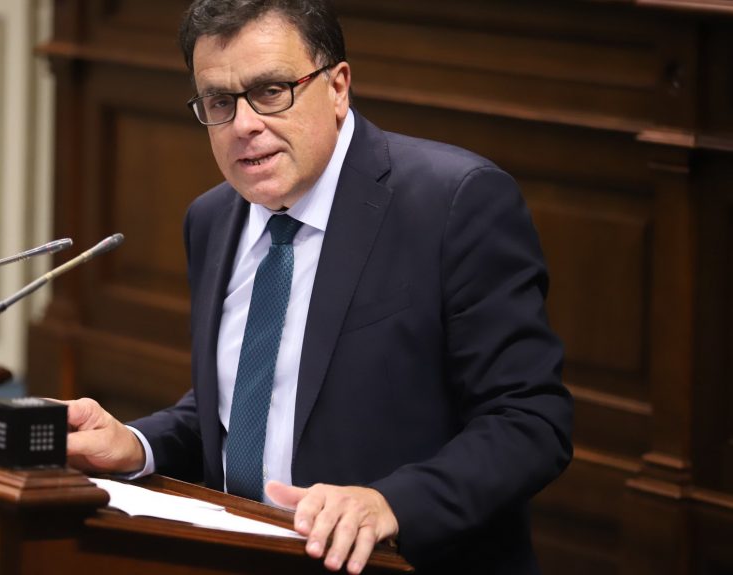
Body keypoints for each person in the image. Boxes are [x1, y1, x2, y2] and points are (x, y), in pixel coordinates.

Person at [61, 1, 573, 573]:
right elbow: (244, 406)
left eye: (272, 91)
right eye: (219, 102)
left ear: (337, 87)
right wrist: (137, 444)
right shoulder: (211, 219)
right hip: (235, 553)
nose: (244, 124)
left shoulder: (455, 203)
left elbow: (529, 422)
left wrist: (389, 504)